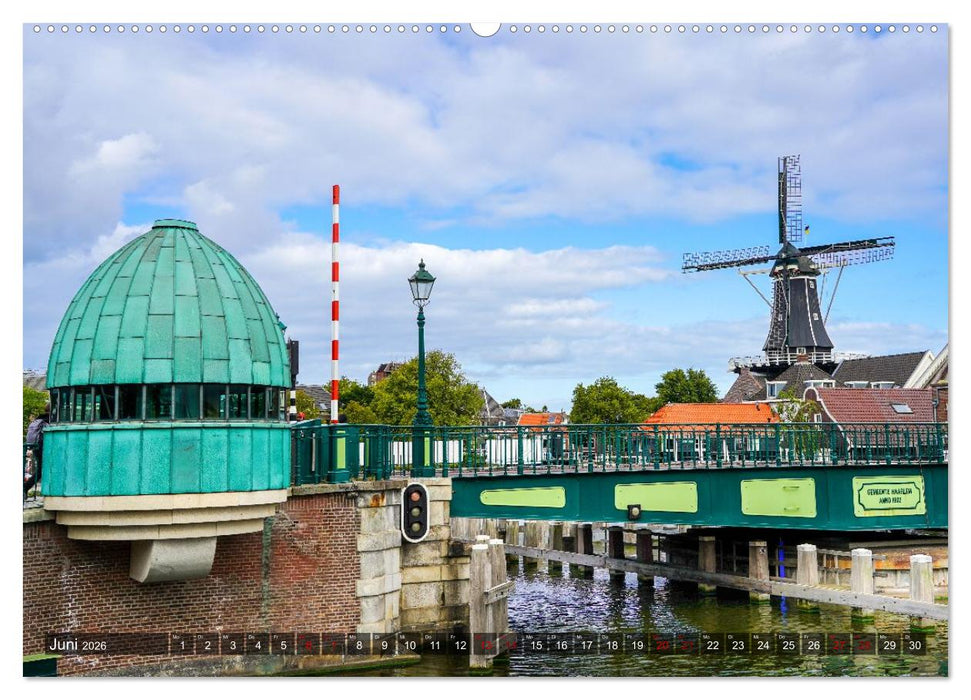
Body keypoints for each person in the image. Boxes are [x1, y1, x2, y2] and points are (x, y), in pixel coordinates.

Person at [25, 405, 50, 499]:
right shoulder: (49, 420)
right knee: (41, 470)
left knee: (40, 470)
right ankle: (24, 488)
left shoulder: (38, 419)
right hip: (43, 447)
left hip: (35, 447)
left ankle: (25, 489)